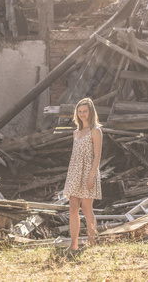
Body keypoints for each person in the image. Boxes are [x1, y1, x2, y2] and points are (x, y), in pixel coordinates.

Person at [62, 97, 103, 252]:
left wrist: (91, 176)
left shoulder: (96, 131)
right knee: (73, 208)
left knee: (86, 208)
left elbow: (97, 156)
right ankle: (73, 244)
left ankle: (92, 242)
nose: (82, 114)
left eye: (85, 111)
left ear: (91, 112)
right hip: (74, 172)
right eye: (80, 111)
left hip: (88, 172)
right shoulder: (76, 133)